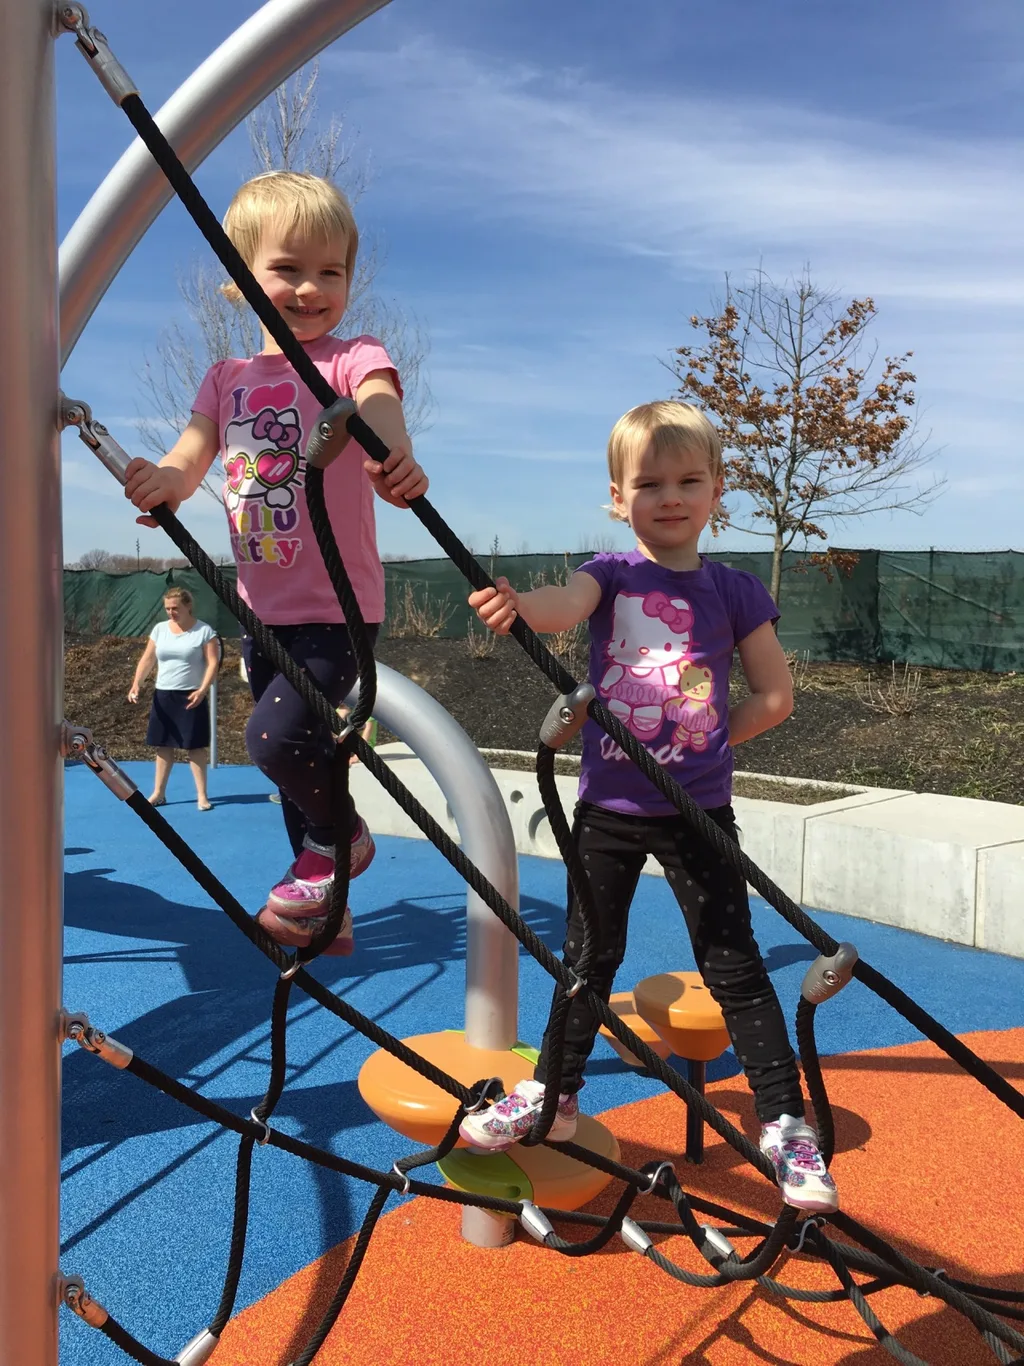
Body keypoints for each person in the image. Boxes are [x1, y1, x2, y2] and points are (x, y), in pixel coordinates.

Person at [459, 400, 838, 1213]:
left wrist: (706, 746)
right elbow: (563, 604)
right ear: (617, 497)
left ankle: (783, 1123)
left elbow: (775, 697)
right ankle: (553, 1095)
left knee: (732, 962)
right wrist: (519, 606)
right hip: (610, 808)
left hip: (696, 810)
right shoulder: (612, 574)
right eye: (649, 483)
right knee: (588, 957)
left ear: (717, 490)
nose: (670, 497)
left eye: (689, 481)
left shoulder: (735, 591)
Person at [123, 171, 427, 956]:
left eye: (331, 271)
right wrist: (165, 481)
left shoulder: (352, 358)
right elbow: (191, 455)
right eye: (288, 268)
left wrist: (390, 452)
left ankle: (346, 839)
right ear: (238, 279)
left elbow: (380, 405)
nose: (310, 288)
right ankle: (329, 908)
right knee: (304, 762)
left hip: (337, 608)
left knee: (273, 741)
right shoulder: (225, 380)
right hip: (263, 614)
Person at [128, 586, 220, 810]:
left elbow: (212, 663)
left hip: (191, 696)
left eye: (175, 608)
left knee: (195, 748)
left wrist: (202, 690)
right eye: (168, 608)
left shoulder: (204, 631)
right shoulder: (160, 630)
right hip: (163, 695)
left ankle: (202, 796)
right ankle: (159, 793)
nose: (171, 612)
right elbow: (147, 659)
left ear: (188, 606)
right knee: (163, 746)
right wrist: (136, 684)